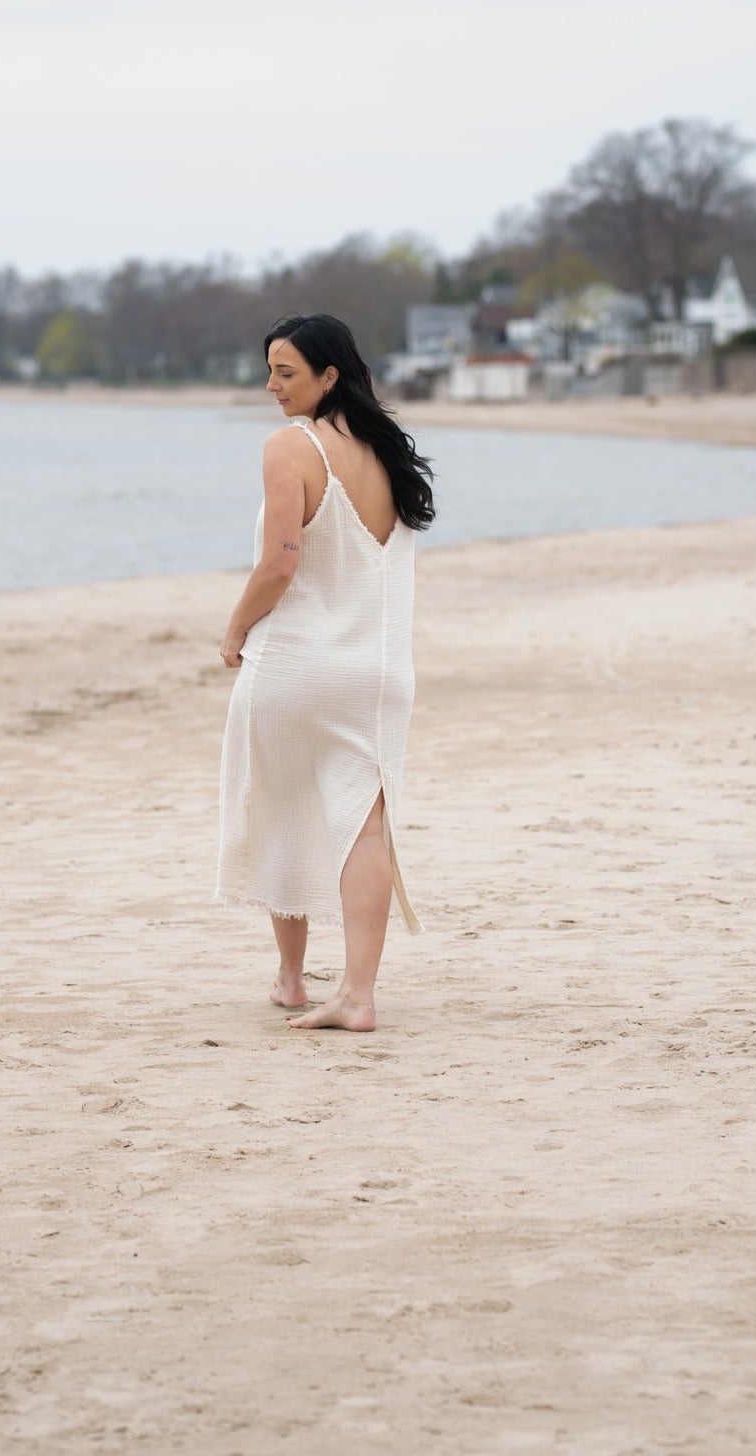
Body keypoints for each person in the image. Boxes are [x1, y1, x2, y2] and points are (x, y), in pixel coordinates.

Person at [216, 313, 435, 1031]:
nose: (272, 386)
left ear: (329, 375)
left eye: (286, 372)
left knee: (282, 812)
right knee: (364, 830)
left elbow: (281, 559)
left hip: (299, 664)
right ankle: (358, 996)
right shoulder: (388, 452)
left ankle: (289, 979)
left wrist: (236, 626)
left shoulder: (291, 448)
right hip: (376, 674)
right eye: (271, 370)